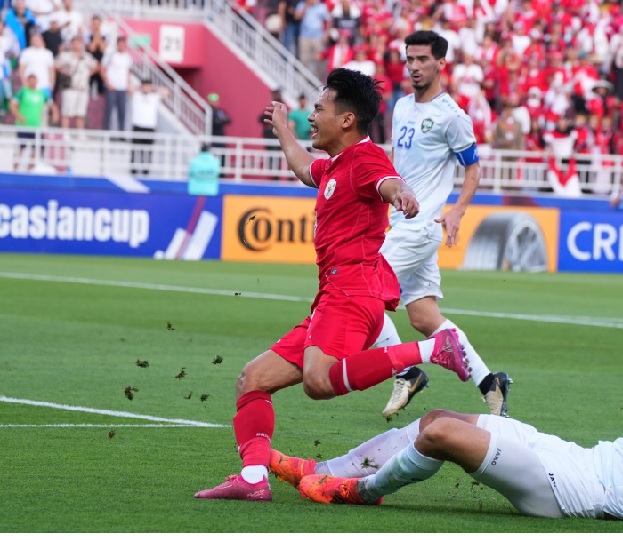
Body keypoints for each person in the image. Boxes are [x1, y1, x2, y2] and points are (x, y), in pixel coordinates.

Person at [194, 67, 471, 502]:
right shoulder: (337, 165)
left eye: (319, 108)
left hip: (353, 292)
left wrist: (401, 194)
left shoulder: (365, 159)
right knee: (253, 379)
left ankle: (432, 349)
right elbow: (306, 169)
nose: (312, 115)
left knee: (317, 382)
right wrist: (282, 128)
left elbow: (387, 181)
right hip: (331, 297)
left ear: (346, 120)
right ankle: (252, 477)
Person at [271, 356, 623, 533]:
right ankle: (326, 466)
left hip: (574, 492)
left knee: (441, 436)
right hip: (570, 455)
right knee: (436, 415)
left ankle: (358, 491)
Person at [376, 30, 512, 421]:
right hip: (400, 222)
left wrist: (458, 210)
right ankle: (491, 383)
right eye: (410, 59)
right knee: (422, 317)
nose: (414, 66)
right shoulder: (401, 107)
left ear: (440, 63)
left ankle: (407, 372)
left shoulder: (452, 116)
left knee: (364, 297)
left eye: (422, 60)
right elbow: (398, 165)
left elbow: (473, 168)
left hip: (420, 227)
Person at [10, 71, 57, 170]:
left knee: (38, 148)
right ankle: (15, 169)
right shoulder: (23, 91)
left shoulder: (41, 93)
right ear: (27, 81)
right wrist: (19, 116)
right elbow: (12, 104)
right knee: (20, 148)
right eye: (30, 81)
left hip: (36, 126)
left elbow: (51, 104)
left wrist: (55, 114)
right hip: (23, 126)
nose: (32, 82)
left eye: (34, 80)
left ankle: (30, 169)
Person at [55, 35, 97, 130]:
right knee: (66, 112)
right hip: (70, 87)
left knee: (81, 113)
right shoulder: (65, 55)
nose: (78, 45)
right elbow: (56, 65)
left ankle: (80, 134)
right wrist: (64, 71)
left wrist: (89, 73)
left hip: (82, 88)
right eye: (75, 42)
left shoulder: (86, 56)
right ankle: (65, 133)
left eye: (79, 43)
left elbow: (96, 66)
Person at [130, 78, 169, 176]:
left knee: (148, 150)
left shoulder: (154, 97)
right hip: (138, 126)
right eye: (145, 86)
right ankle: (133, 169)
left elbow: (166, 92)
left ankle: (146, 170)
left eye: (148, 86)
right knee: (135, 149)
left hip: (150, 127)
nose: (146, 88)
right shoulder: (137, 95)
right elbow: (129, 88)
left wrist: (153, 88)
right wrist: (140, 87)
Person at [101, 36, 132, 131]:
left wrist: (128, 84)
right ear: (117, 44)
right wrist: (107, 83)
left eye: (123, 44)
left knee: (122, 112)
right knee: (109, 111)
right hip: (112, 87)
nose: (122, 46)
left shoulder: (128, 57)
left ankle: (121, 133)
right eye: (120, 44)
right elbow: (102, 69)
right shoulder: (110, 55)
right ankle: (105, 133)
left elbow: (128, 72)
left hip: (122, 88)